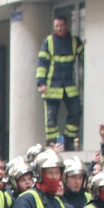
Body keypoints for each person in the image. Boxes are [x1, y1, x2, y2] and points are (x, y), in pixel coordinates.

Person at [36, 15, 84, 151]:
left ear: (66, 26)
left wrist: (88, 44)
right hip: (52, 86)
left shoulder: (75, 42)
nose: (59, 28)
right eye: (56, 26)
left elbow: (85, 55)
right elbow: (42, 63)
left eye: (61, 26)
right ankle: (52, 143)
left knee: (76, 111)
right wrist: (41, 83)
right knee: (51, 118)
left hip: (69, 85)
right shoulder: (49, 42)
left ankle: (69, 141)